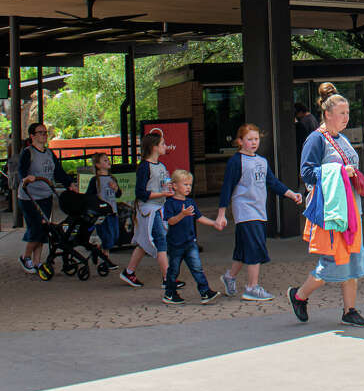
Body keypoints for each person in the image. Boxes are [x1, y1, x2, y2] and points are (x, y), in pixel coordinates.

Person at [287, 82, 364, 328]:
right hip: (332, 211)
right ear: (328, 114)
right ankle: (299, 295)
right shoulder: (316, 140)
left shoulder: (341, 139)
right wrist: (339, 172)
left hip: (351, 209)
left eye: (348, 113)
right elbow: (307, 173)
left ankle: (350, 310)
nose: (347, 117)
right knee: (332, 261)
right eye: (342, 113)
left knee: (353, 258)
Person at [215, 123, 303, 300]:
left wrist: (291, 194)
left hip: (259, 211)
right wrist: (221, 214)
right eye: (249, 139)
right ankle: (252, 287)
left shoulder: (262, 161)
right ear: (240, 141)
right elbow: (227, 188)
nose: (254, 143)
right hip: (245, 212)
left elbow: (272, 182)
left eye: (256, 139)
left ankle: (229, 277)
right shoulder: (235, 162)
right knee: (255, 247)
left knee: (243, 250)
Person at [16, 122, 75, 274]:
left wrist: (69, 184)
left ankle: (37, 261)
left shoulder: (49, 153)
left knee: (44, 228)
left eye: (45, 132)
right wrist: (26, 178)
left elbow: (59, 172)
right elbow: (21, 170)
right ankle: (25, 256)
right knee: (35, 228)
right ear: (32, 136)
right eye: (40, 132)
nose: (43, 135)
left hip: (45, 195)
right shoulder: (28, 152)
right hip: (29, 197)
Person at [121, 133, 173, 289]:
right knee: (160, 239)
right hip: (149, 209)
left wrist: (168, 191)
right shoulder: (145, 167)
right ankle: (167, 277)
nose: (165, 146)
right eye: (163, 144)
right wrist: (163, 193)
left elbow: (164, 184)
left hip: (158, 206)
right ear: (154, 147)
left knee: (144, 241)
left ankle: (129, 271)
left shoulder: (160, 166)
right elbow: (141, 193)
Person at [161, 169, 221, 304]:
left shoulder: (190, 202)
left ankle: (205, 292)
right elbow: (170, 221)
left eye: (190, 185)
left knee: (197, 268)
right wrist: (182, 214)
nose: (188, 187)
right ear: (175, 186)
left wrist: (214, 223)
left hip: (190, 242)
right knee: (174, 270)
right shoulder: (170, 203)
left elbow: (199, 217)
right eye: (185, 184)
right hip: (175, 244)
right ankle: (169, 293)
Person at [85, 152, 122, 260]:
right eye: (105, 160)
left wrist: (116, 189)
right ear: (98, 165)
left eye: (108, 160)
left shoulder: (112, 178)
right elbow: (89, 196)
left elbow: (118, 194)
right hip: (102, 213)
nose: (108, 162)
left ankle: (98, 250)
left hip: (112, 211)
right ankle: (106, 258)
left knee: (115, 235)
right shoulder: (95, 180)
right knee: (107, 236)